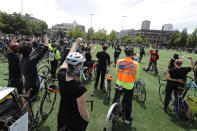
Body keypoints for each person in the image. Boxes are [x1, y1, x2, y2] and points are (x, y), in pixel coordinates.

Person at [57, 38, 89, 131]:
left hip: (62, 116)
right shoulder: (80, 88)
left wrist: (76, 43)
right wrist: (87, 120)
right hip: (75, 122)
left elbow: (66, 61)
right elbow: (83, 112)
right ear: (78, 66)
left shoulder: (61, 75)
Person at [112, 46, 140, 124]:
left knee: (116, 99)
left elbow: (117, 72)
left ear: (124, 53)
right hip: (129, 86)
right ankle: (127, 118)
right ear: (132, 54)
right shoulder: (135, 64)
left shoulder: (119, 61)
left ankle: (112, 113)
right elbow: (136, 76)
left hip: (119, 83)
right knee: (128, 102)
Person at [19, 35, 48, 101]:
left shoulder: (21, 58)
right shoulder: (31, 60)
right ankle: (27, 111)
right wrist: (46, 39)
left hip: (27, 83)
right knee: (31, 103)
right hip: (33, 86)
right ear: (30, 50)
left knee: (28, 100)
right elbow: (45, 49)